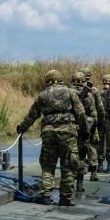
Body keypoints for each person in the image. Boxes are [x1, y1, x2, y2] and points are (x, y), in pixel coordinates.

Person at [16, 69, 87, 206]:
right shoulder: (70, 92)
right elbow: (80, 113)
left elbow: (32, 115)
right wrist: (85, 131)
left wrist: (22, 127)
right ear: (61, 80)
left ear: (47, 81)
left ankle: (46, 195)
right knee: (69, 166)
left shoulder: (42, 95)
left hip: (49, 134)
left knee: (48, 165)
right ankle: (65, 198)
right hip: (68, 133)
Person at [70, 69, 99, 193]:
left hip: (69, 130)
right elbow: (94, 114)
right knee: (81, 157)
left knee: (69, 157)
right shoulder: (89, 95)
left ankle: (69, 184)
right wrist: (90, 127)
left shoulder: (67, 92)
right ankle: (80, 184)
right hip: (83, 131)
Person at [80, 68, 107, 181]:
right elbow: (100, 109)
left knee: (80, 146)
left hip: (79, 122)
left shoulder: (73, 89)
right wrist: (100, 123)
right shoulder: (94, 90)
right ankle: (94, 173)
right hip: (92, 121)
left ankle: (79, 173)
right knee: (92, 146)